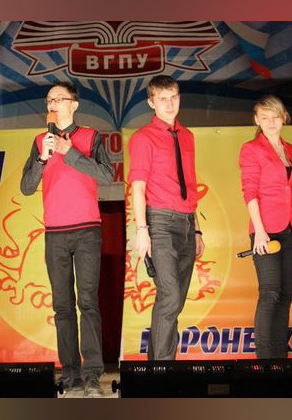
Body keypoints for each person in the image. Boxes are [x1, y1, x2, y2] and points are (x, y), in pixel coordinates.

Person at [20, 81, 113, 397]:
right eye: (49, 99)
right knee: (62, 306)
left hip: (87, 230)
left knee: (88, 302)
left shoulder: (90, 136)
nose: (52, 103)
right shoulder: (39, 141)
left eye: (59, 98)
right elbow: (26, 187)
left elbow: (106, 175)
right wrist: (43, 158)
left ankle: (92, 374)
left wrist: (68, 152)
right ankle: (71, 374)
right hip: (55, 232)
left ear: (75, 104)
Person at [128, 75, 205, 361]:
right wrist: (142, 229)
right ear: (151, 102)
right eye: (162, 99)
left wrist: (197, 230)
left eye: (174, 97)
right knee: (170, 296)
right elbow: (137, 187)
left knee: (175, 300)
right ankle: (161, 371)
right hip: (159, 222)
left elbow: (190, 184)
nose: (169, 104)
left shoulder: (187, 135)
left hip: (186, 222)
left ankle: (159, 369)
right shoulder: (143, 137)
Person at [238, 95, 292, 359]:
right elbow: (250, 191)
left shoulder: (290, 150)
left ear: (284, 118)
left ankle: (280, 360)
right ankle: (265, 361)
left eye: (275, 117)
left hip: (291, 228)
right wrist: (259, 231)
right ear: (257, 120)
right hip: (265, 229)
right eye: (264, 117)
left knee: (286, 294)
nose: (270, 122)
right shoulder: (251, 149)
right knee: (270, 293)